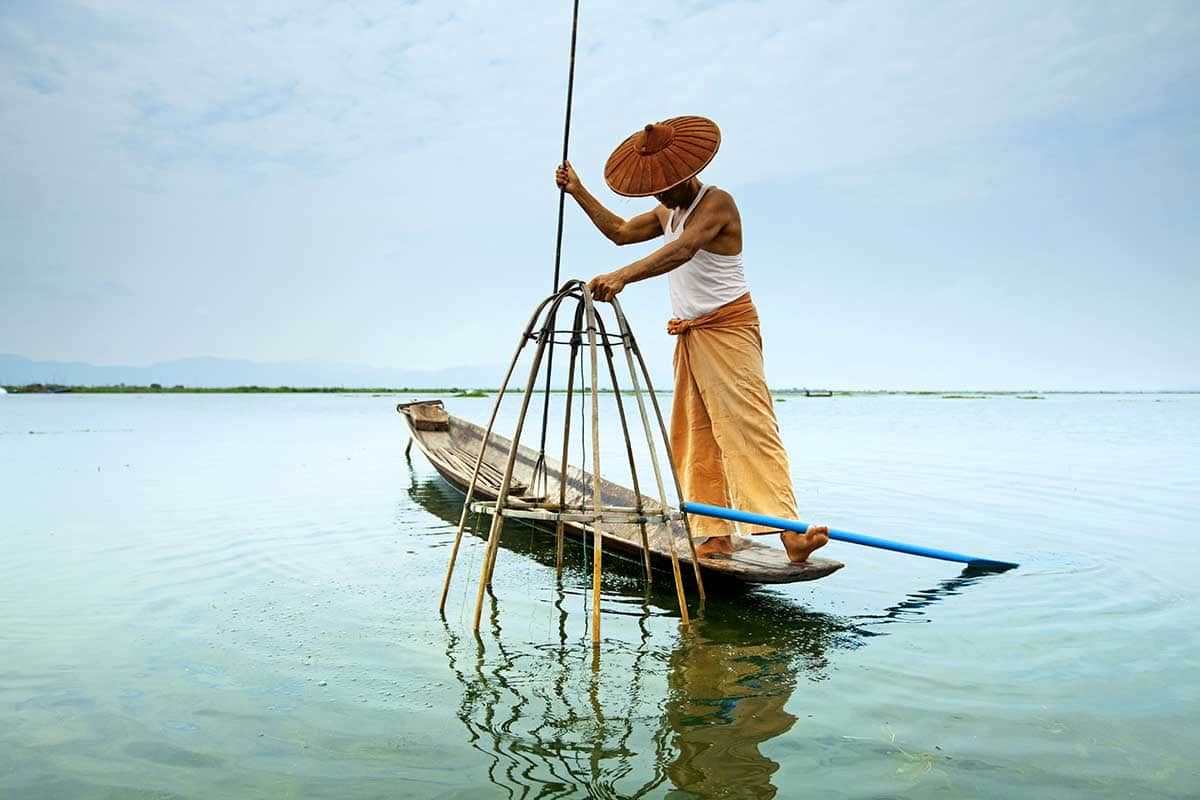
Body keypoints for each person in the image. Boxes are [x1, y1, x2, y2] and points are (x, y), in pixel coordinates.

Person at [554, 115, 828, 562]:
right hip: (691, 334)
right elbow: (622, 233)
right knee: (694, 433)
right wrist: (579, 190)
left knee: (748, 425)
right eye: (655, 189)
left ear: (688, 174)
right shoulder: (667, 211)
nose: (661, 195)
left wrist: (622, 278)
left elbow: (682, 250)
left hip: (730, 328)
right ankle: (712, 532)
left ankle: (790, 534)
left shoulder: (717, 203)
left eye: (667, 185)